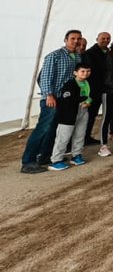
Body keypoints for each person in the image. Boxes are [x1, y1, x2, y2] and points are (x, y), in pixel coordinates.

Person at [21, 30, 83, 173]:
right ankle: (28, 161)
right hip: (52, 99)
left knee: (53, 130)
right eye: (72, 38)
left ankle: (45, 156)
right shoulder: (54, 56)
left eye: (78, 39)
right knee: (43, 129)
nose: (75, 41)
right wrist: (49, 95)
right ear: (65, 40)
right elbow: (45, 77)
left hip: (65, 100)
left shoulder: (78, 57)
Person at [48, 63, 91, 171]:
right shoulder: (70, 84)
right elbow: (67, 100)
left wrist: (88, 101)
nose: (85, 73)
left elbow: (89, 96)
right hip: (69, 113)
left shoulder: (87, 83)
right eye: (82, 71)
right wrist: (83, 99)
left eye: (88, 71)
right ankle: (56, 160)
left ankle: (76, 155)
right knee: (63, 136)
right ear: (75, 73)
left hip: (83, 111)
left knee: (80, 134)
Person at [82, 31, 110, 144]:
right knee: (88, 114)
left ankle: (87, 136)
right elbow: (92, 72)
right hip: (93, 89)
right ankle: (82, 138)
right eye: (103, 38)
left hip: (105, 89)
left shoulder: (110, 52)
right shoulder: (89, 53)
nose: (106, 40)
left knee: (93, 115)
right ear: (97, 39)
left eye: (108, 38)